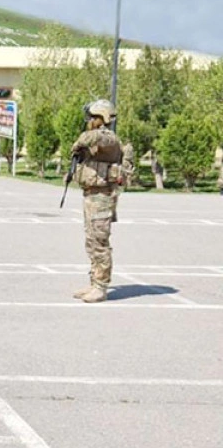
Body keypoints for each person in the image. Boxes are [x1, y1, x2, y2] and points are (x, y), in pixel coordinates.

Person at [69, 98, 133, 304]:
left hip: (103, 196)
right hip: (91, 194)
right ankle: (93, 281)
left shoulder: (108, 137)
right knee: (91, 241)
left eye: (93, 117)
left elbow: (96, 138)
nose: (89, 121)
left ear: (102, 117)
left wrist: (80, 141)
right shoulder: (96, 138)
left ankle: (101, 286)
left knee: (100, 241)